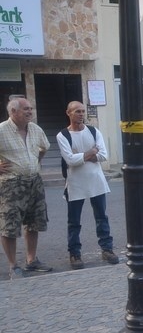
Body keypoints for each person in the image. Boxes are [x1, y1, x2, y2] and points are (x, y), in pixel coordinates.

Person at [56, 101, 119, 269]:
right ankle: (74, 253)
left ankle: (107, 249)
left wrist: (81, 156)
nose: (81, 114)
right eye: (77, 111)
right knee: (74, 221)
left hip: (96, 181)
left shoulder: (93, 131)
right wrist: (91, 152)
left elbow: (104, 155)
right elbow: (69, 160)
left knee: (101, 217)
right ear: (68, 113)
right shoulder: (63, 135)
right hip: (75, 184)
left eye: (83, 111)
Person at [0, 97, 52, 278]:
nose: (30, 112)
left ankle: (31, 260)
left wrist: (36, 162)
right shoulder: (1, 130)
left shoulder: (35, 129)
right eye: (26, 109)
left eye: (31, 108)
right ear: (13, 112)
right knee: (9, 225)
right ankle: (13, 265)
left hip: (34, 181)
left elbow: (44, 147)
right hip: (11, 184)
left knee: (34, 222)